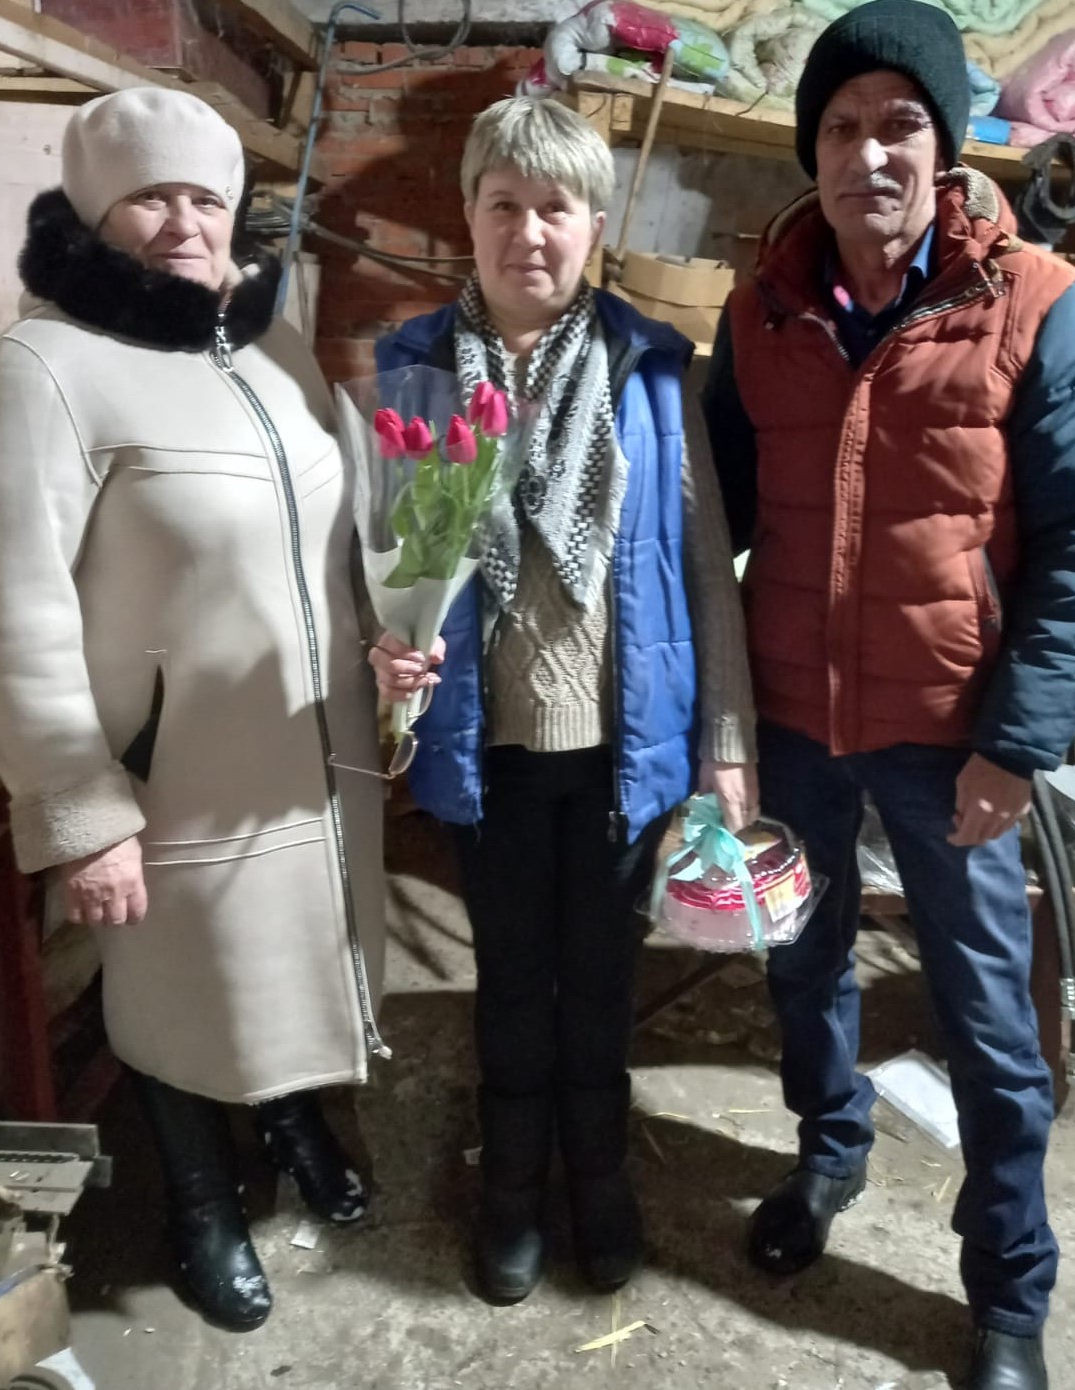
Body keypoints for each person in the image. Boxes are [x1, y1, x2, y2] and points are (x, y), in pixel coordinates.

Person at [0, 88, 387, 1332]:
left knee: (293, 964)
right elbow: (13, 607)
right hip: (172, 769)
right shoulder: (43, 369)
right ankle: (198, 1199)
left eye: (206, 197)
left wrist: (388, 645)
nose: (184, 223)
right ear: (95, 212)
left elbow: (336, 531)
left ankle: (293, 1118)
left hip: (311, 748)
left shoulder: (271, 342)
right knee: (179, 993)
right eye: (150, 196)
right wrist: (80, 808)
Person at [703, 4, 1075, 1387]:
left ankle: (1008, 1292)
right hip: (795, 721)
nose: (868, 154)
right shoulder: (760, 312)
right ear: (812, 151)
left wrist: (1017, 742)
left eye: (899, 125)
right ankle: (828, 1152)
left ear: (946, 143)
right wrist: (718, 724)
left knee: (987, 1023)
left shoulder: (1035, 302)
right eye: (841, 127)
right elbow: (705, 519)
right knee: (799, 964)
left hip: (951, 739)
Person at [368, 95, 758, 1304]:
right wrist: (385, 650)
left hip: (620, 754)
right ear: (467, 213)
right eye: (504, 204)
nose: (528, 232)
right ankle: (508, 1187)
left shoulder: (650, 373)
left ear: (593, 223)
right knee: (507, 979)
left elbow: (706, 568)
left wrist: (725, 741)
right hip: (485, 749)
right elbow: (390, 562)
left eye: (555, 207)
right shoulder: (417, 370)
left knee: (597, 983)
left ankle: (598, 1179)